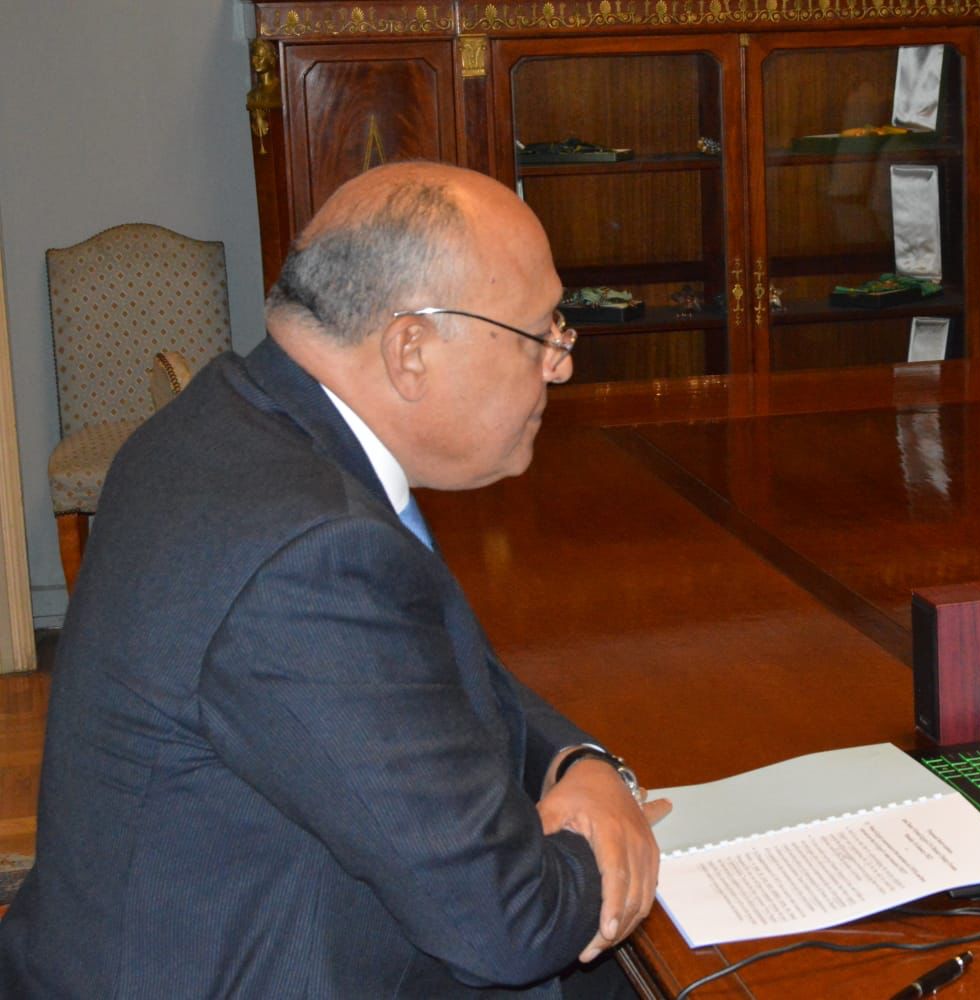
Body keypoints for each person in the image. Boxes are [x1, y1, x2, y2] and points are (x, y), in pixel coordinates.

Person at [0, 162, 669, 998]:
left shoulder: (226, 422)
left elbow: (442, 674)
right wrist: (608, 839)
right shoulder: (312, 548)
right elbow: (509, 927)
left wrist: (582, 763)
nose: (560, 366)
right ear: (411, 349)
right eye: (541, 334)